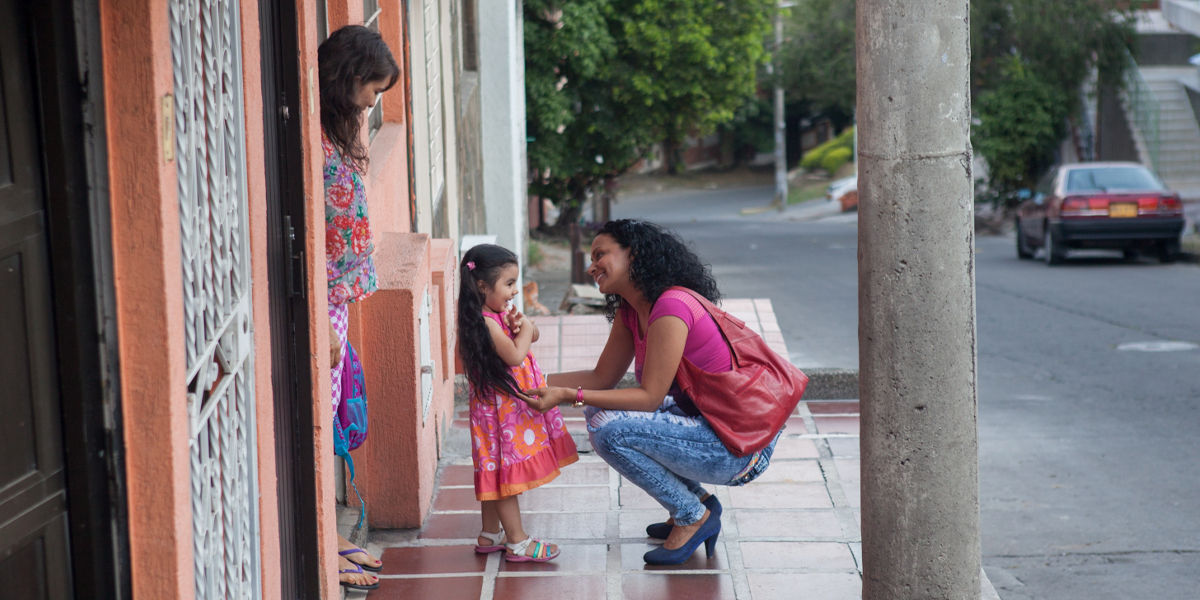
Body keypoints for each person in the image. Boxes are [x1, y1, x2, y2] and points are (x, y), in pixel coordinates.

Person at [525, 219, 780, 566]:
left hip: (741, 448)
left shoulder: (672, 306)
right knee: (599, 412)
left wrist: (570, 395)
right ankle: (698, 502)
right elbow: (602, 377)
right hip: (711, 431)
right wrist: (526, 382)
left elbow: (649, 397)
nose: (591, 267)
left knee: (610, 430)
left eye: (600, 254)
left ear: (633, 254)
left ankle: (692, 516)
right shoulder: (632, 310)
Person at [319, 24, 400, 592]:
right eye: (372, 89)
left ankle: (330, 534)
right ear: (348, 75)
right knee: (321, 421)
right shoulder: (312, 138)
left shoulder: (335, 128)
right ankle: (325, 541)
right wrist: (322, 321)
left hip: (339, 300)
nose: (373, 103)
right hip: (323, 303)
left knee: (331, 418)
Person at [457, 244, 579, 562]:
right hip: (498, 414)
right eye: (509, 283)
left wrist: (522, 325)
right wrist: (523, 329)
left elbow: (532, 335)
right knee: (503, 474)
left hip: (505, 409)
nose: (514, 291)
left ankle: (490, 533)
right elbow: (514, 354)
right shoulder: (485, 322)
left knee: (493, 467)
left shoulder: (498, 316)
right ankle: (517, 541)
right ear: (482, 286)